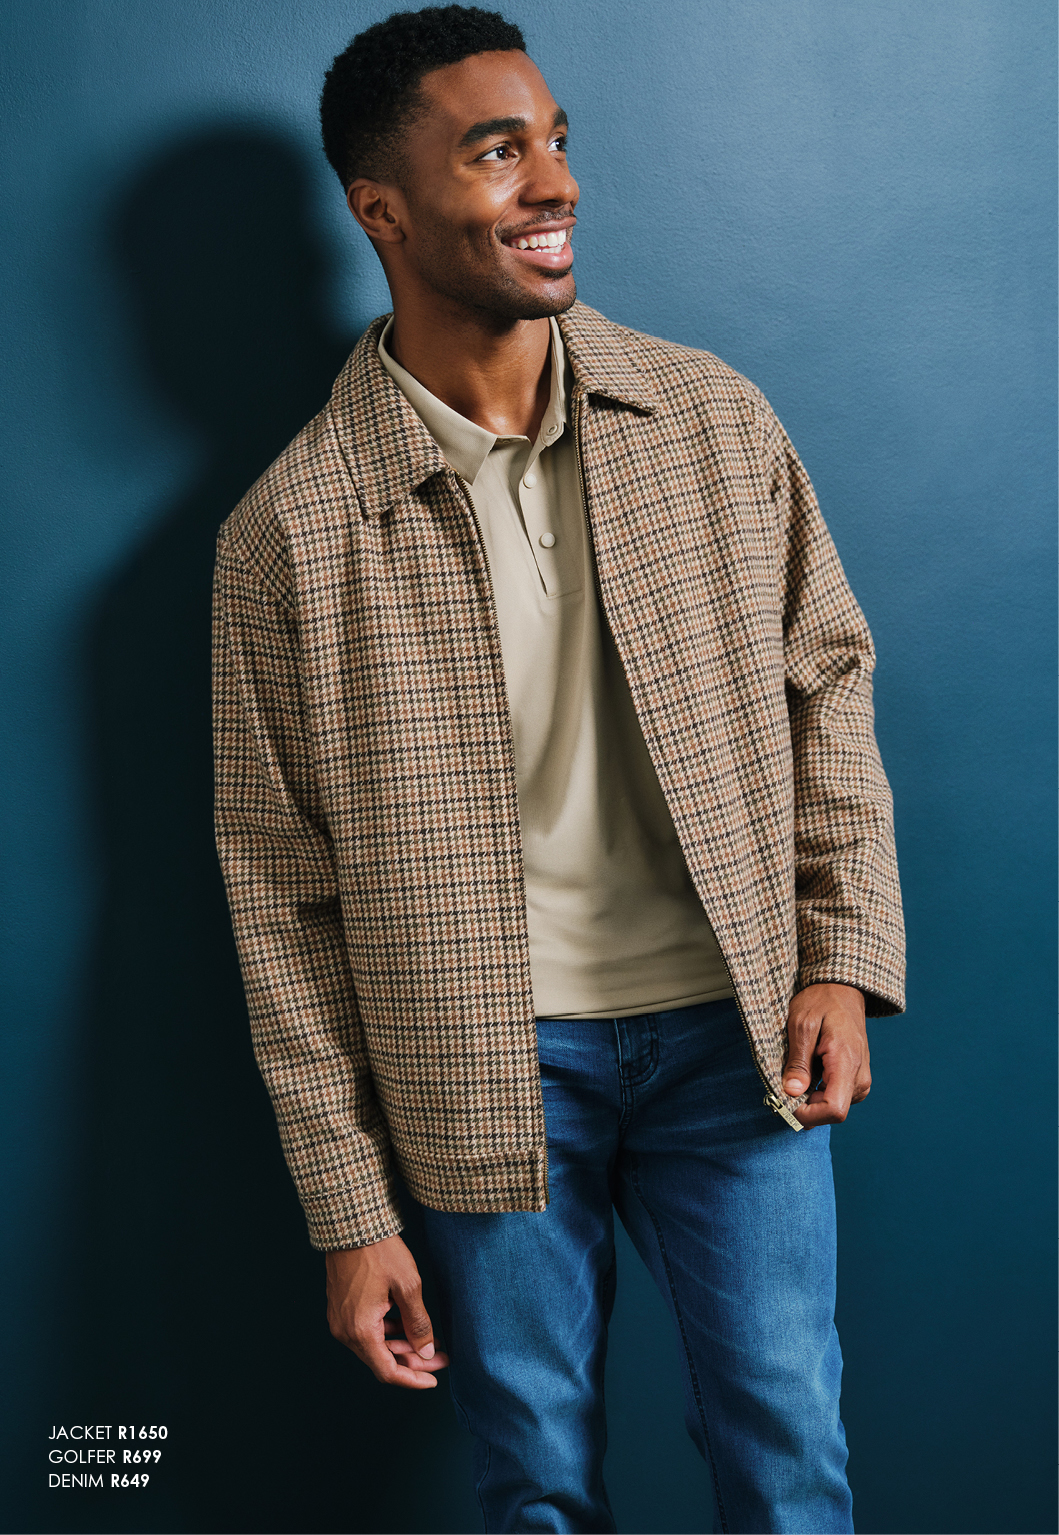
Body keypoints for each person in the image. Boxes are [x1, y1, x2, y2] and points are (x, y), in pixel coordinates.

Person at [212, 7, 905, 1531]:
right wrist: (348, 1212)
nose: (556, 183)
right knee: (534, 1487)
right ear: (380, 210)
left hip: (737, 1042)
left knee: (791, 1457)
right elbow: (279, 899)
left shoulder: (708, 421)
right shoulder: (290, 535)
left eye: (558, 141)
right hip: (478, 1065)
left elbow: (829, 680)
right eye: (496, 151)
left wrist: (841, 956)